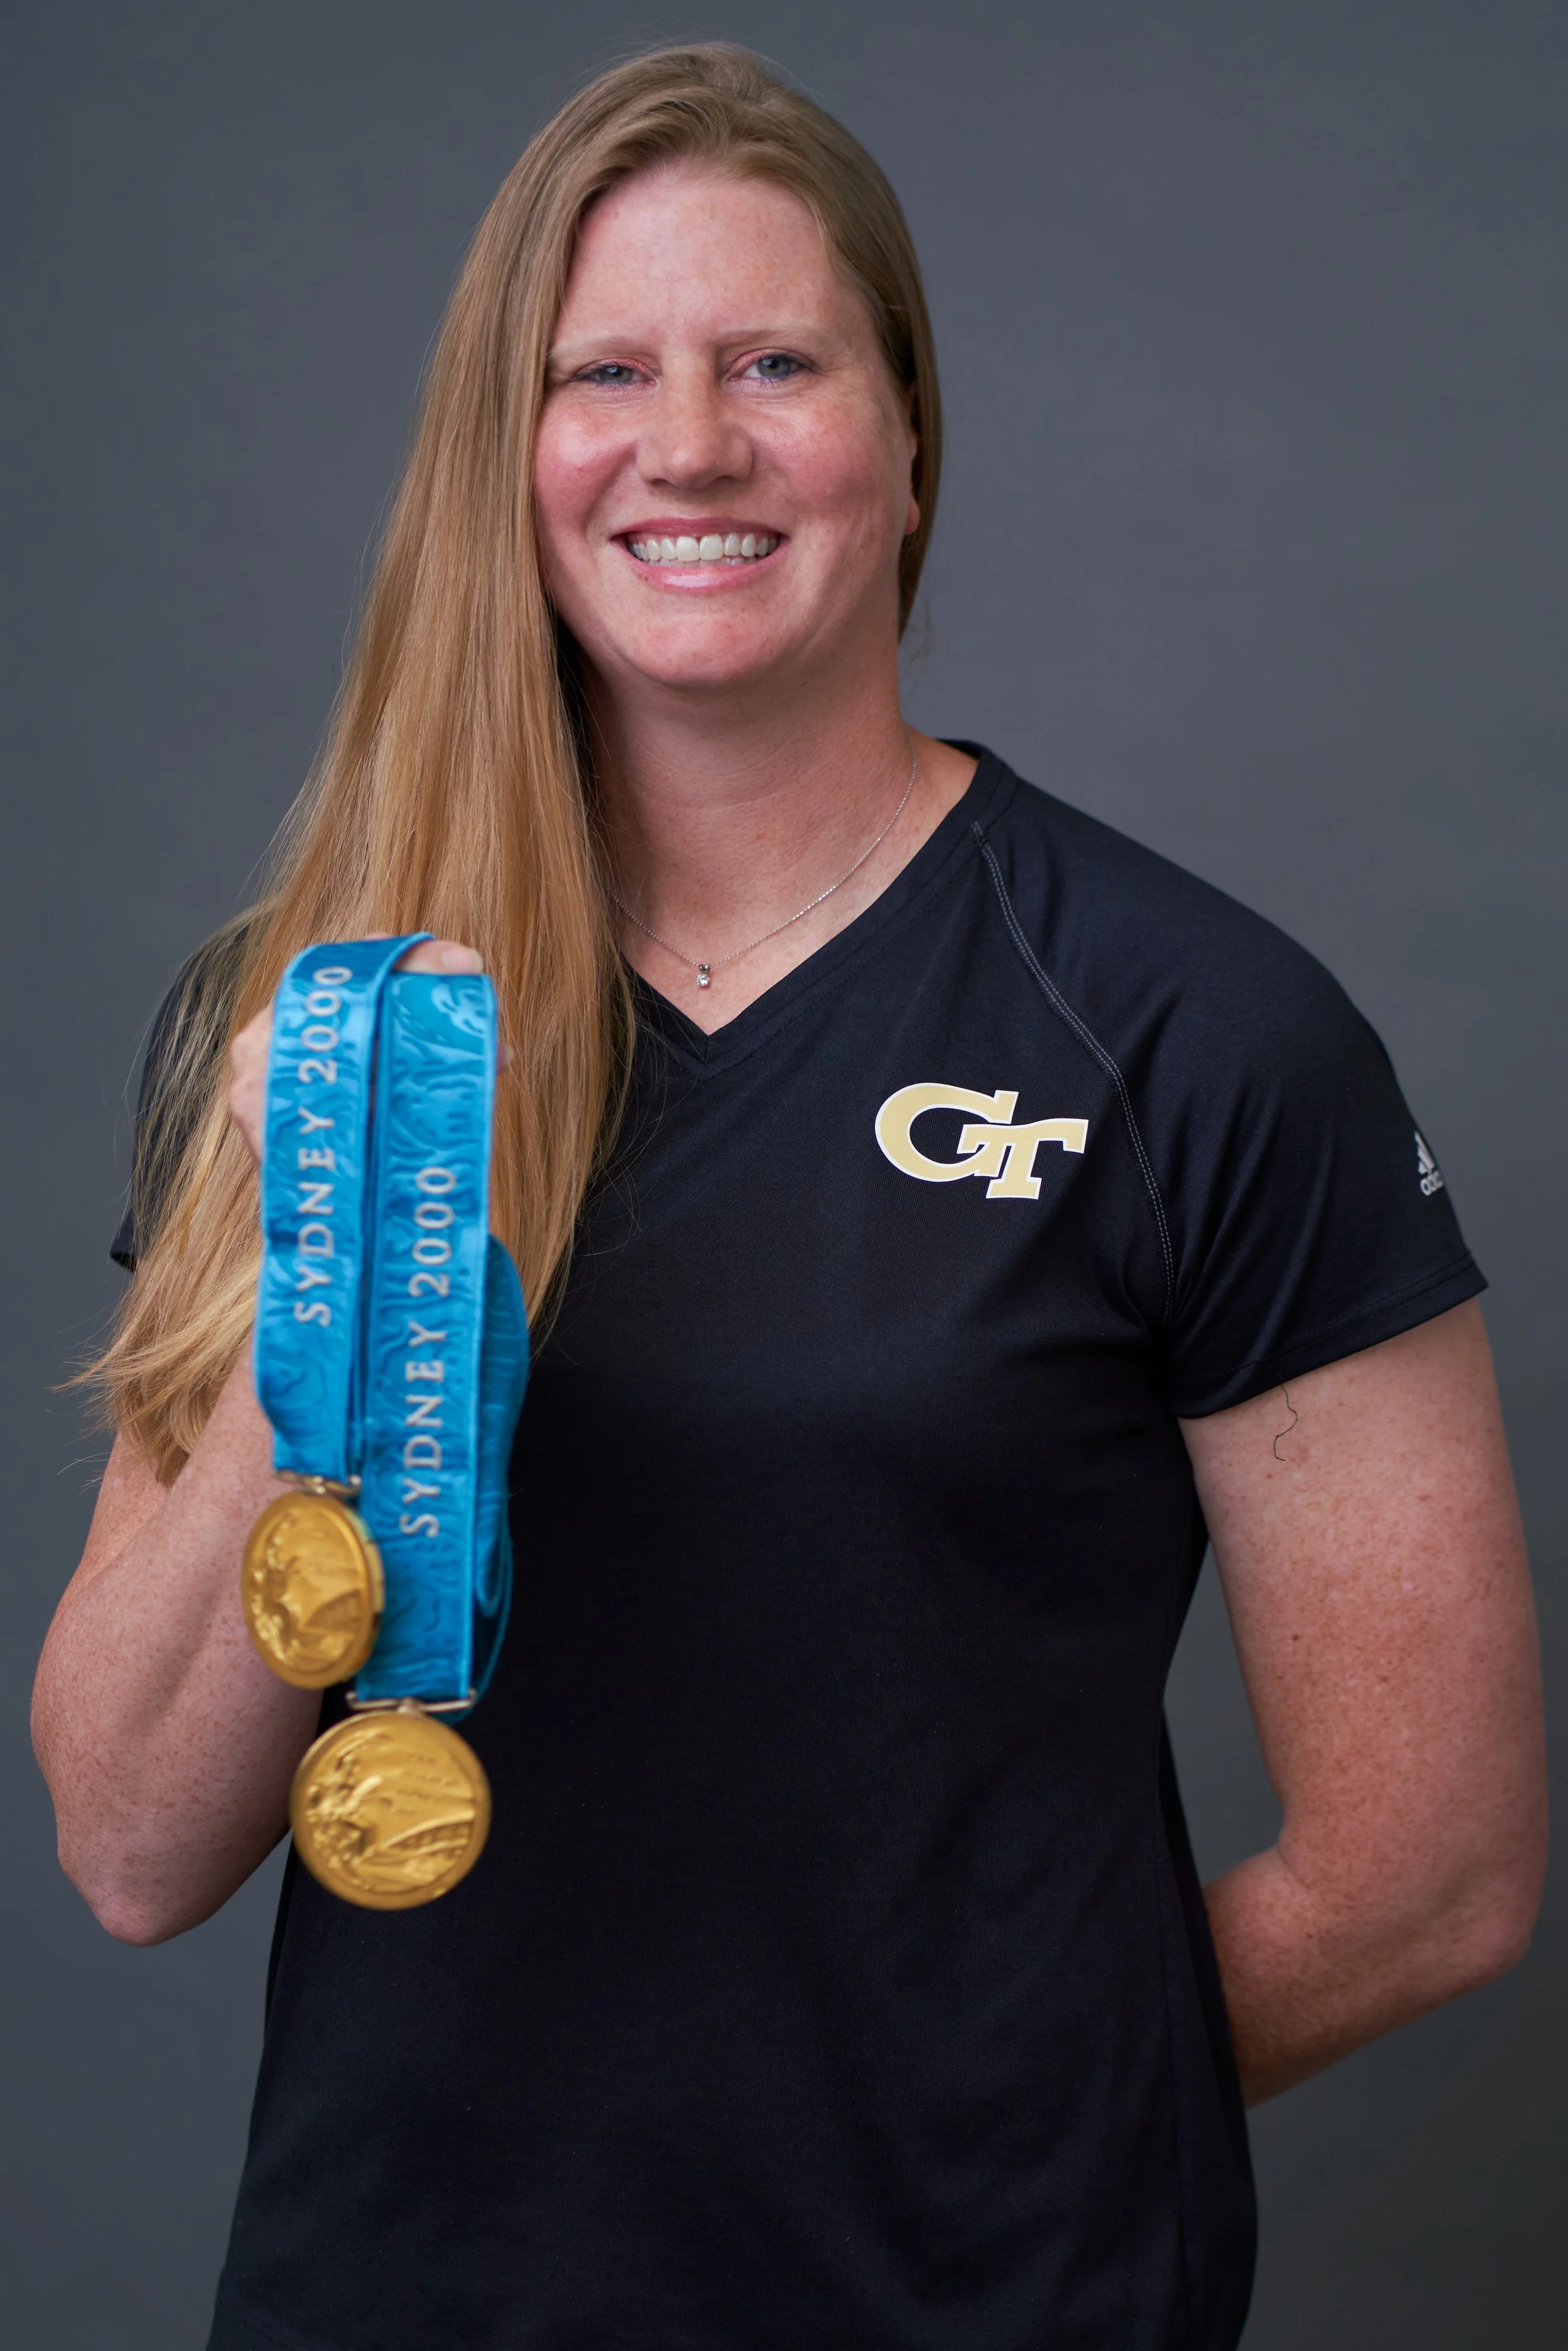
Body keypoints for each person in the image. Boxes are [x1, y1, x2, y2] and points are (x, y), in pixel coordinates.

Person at [33, 42, 1545, 2351]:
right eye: (604, 371)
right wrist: (328, 1258)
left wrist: (974, 2136)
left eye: (774, 363)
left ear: (907, 435)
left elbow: (1429, 1872)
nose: (692, 443)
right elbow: (136, 1845)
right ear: (505, 455)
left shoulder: (1197, 1032)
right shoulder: (306, 1032)